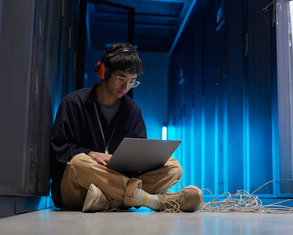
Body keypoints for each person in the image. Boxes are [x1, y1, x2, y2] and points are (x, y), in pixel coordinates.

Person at [50, 43, 203, 212]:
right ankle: (152, 201)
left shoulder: (133, 111)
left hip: (117, 180)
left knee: (174, 167)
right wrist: (90, 154)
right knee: (79, 162)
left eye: (132, 81)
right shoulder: (73, 103)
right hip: (78, 188)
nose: (126, 87)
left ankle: (110, 200)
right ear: (104, 73)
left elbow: (140, 156)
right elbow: (58, 149)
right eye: (121, 78)